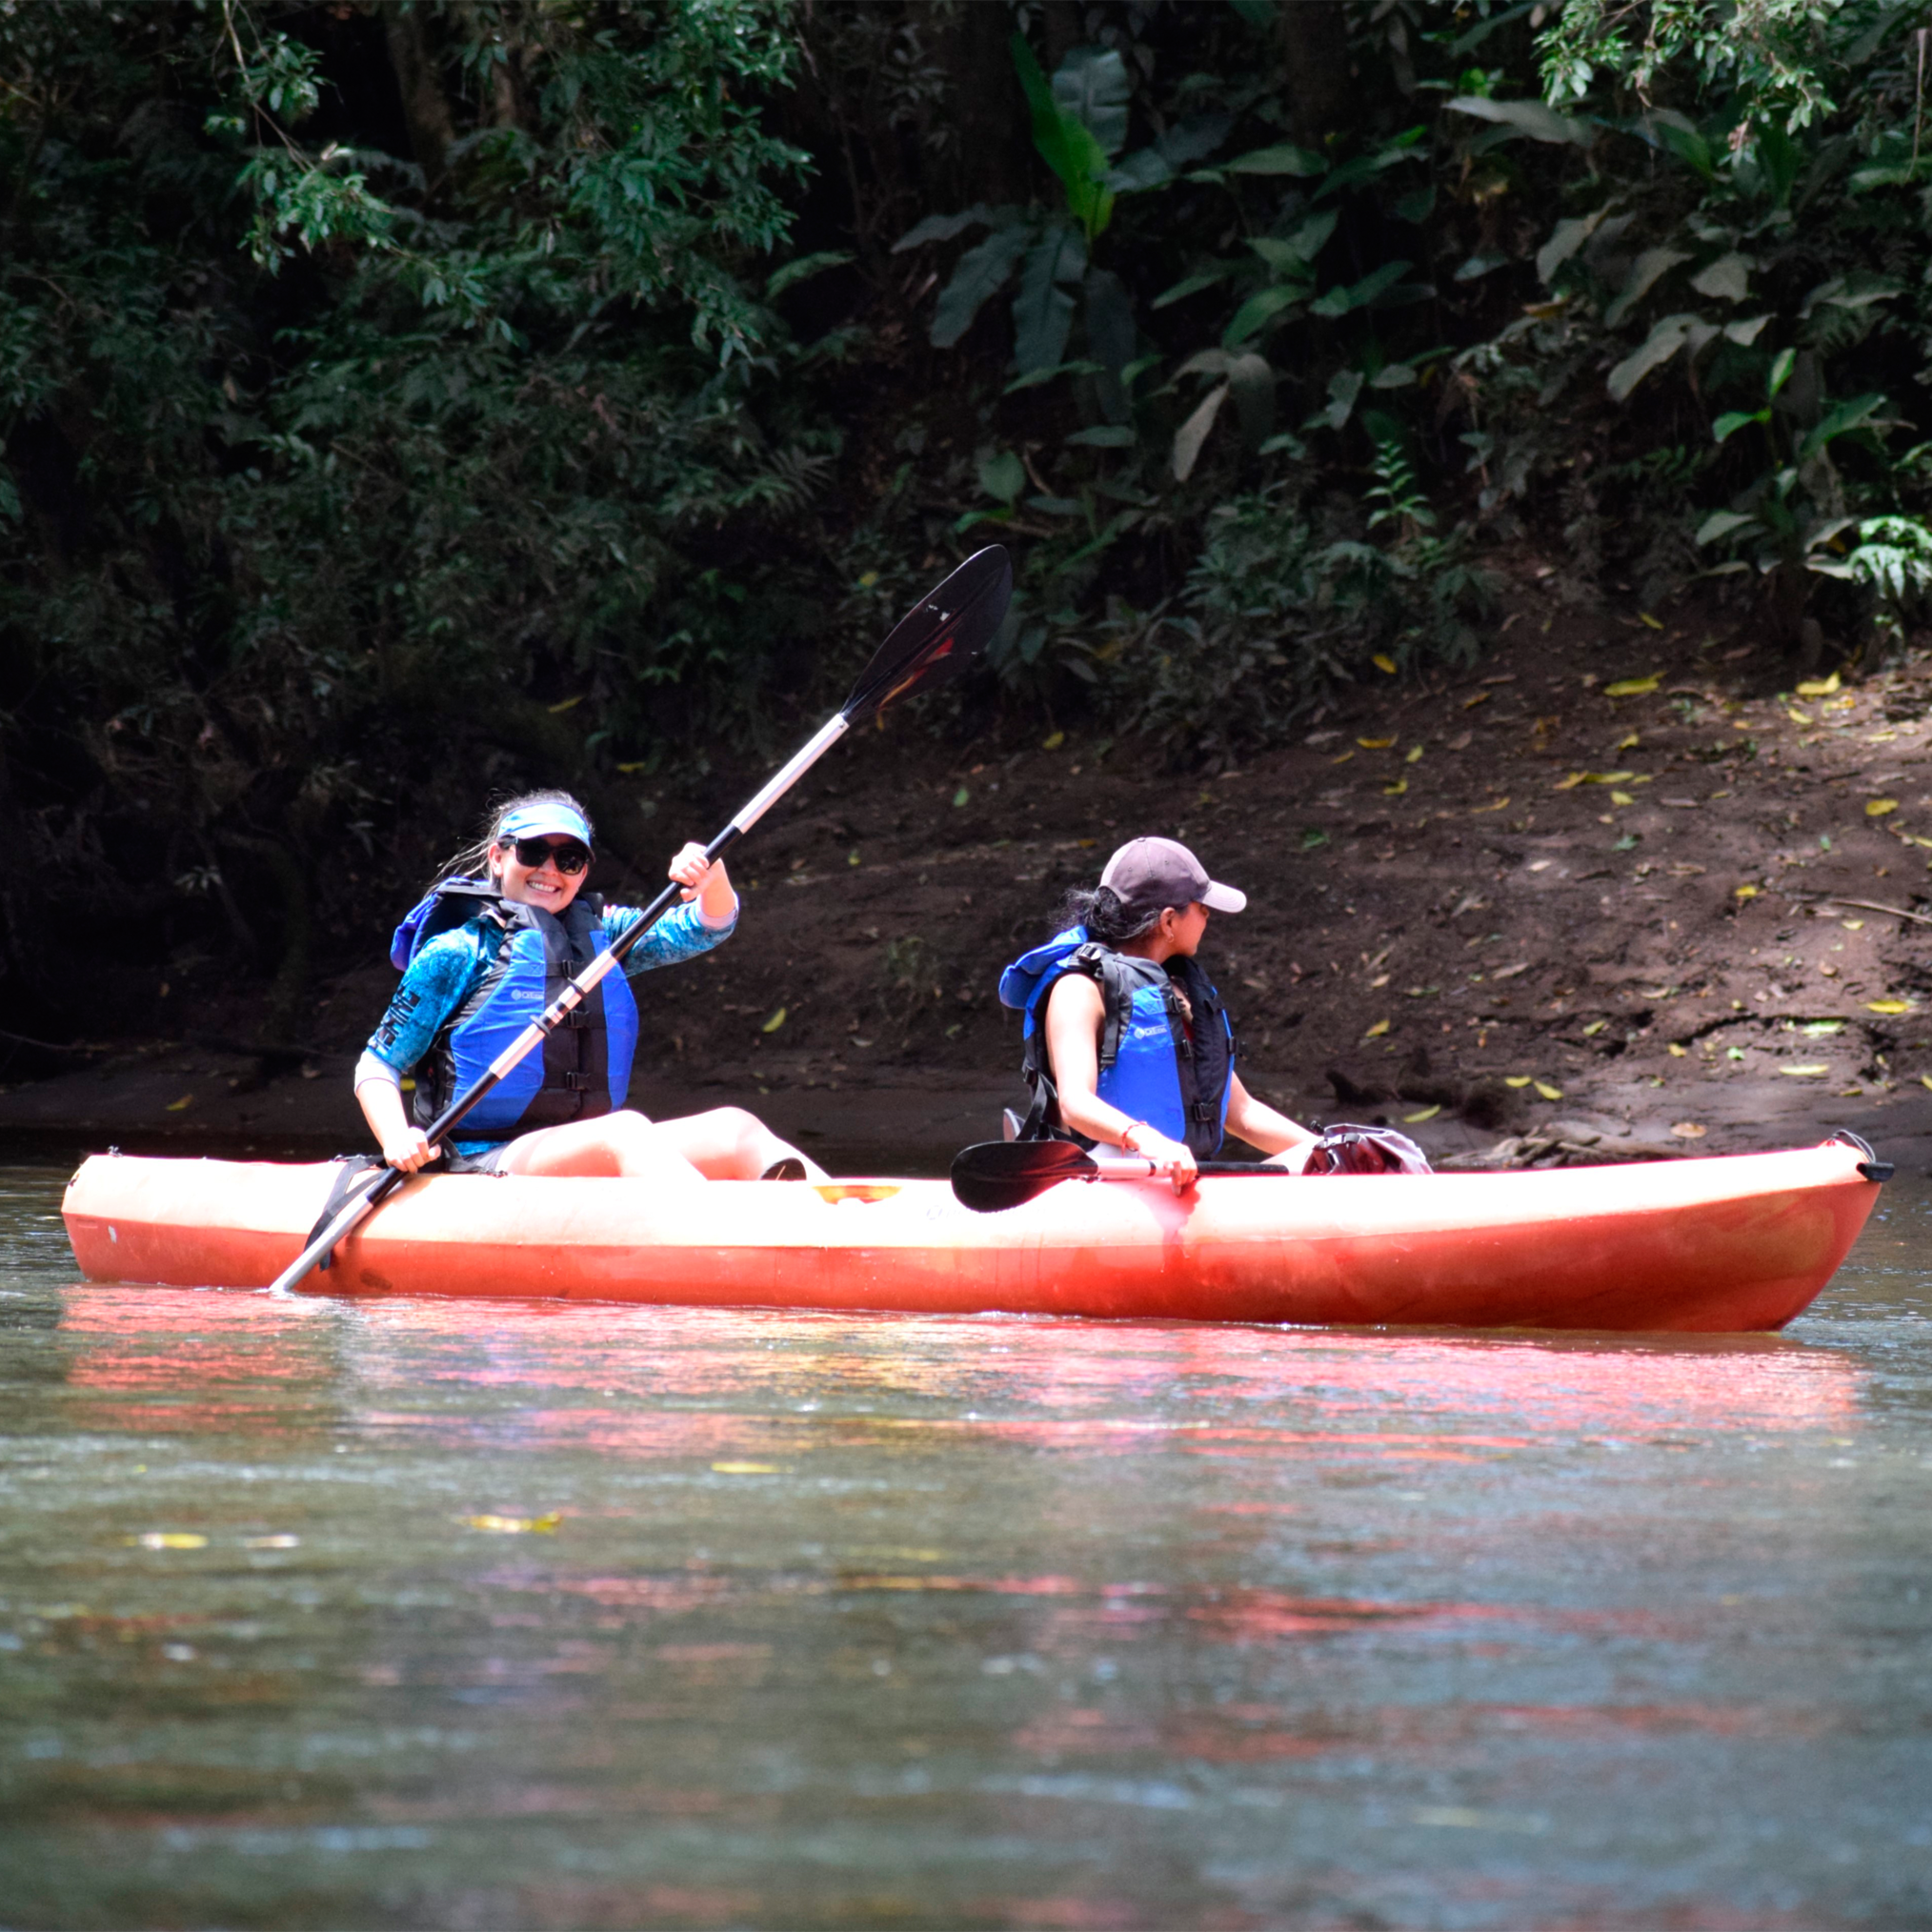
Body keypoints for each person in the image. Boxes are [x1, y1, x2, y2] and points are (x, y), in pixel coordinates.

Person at [354, 791, 825, 1184]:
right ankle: (727, 1243)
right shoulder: (457, 952)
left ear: (584, 871)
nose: (550, 870)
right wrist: (397, 1138)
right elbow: (378, 1062)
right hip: (483, 1160)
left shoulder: (606, 938)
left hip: (589, 1146)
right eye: (533, 852)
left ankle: (851, 1220)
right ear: (498, 857)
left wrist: (712, 877)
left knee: (735, 1130)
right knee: (623, 1133)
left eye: (570, 859)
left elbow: (707, 925)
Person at [998, 835, 1317, 1191]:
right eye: (1201, 906)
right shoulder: (1079, 989)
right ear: (1168, 922)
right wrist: (1149, 1141)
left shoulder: (1178, 991)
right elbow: (1075, 1102)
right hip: (1105, 1180)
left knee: (1321, 1160)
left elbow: (1241, 1112)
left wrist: (1326, 1152)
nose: (1208, 916)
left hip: (1182, 1180)